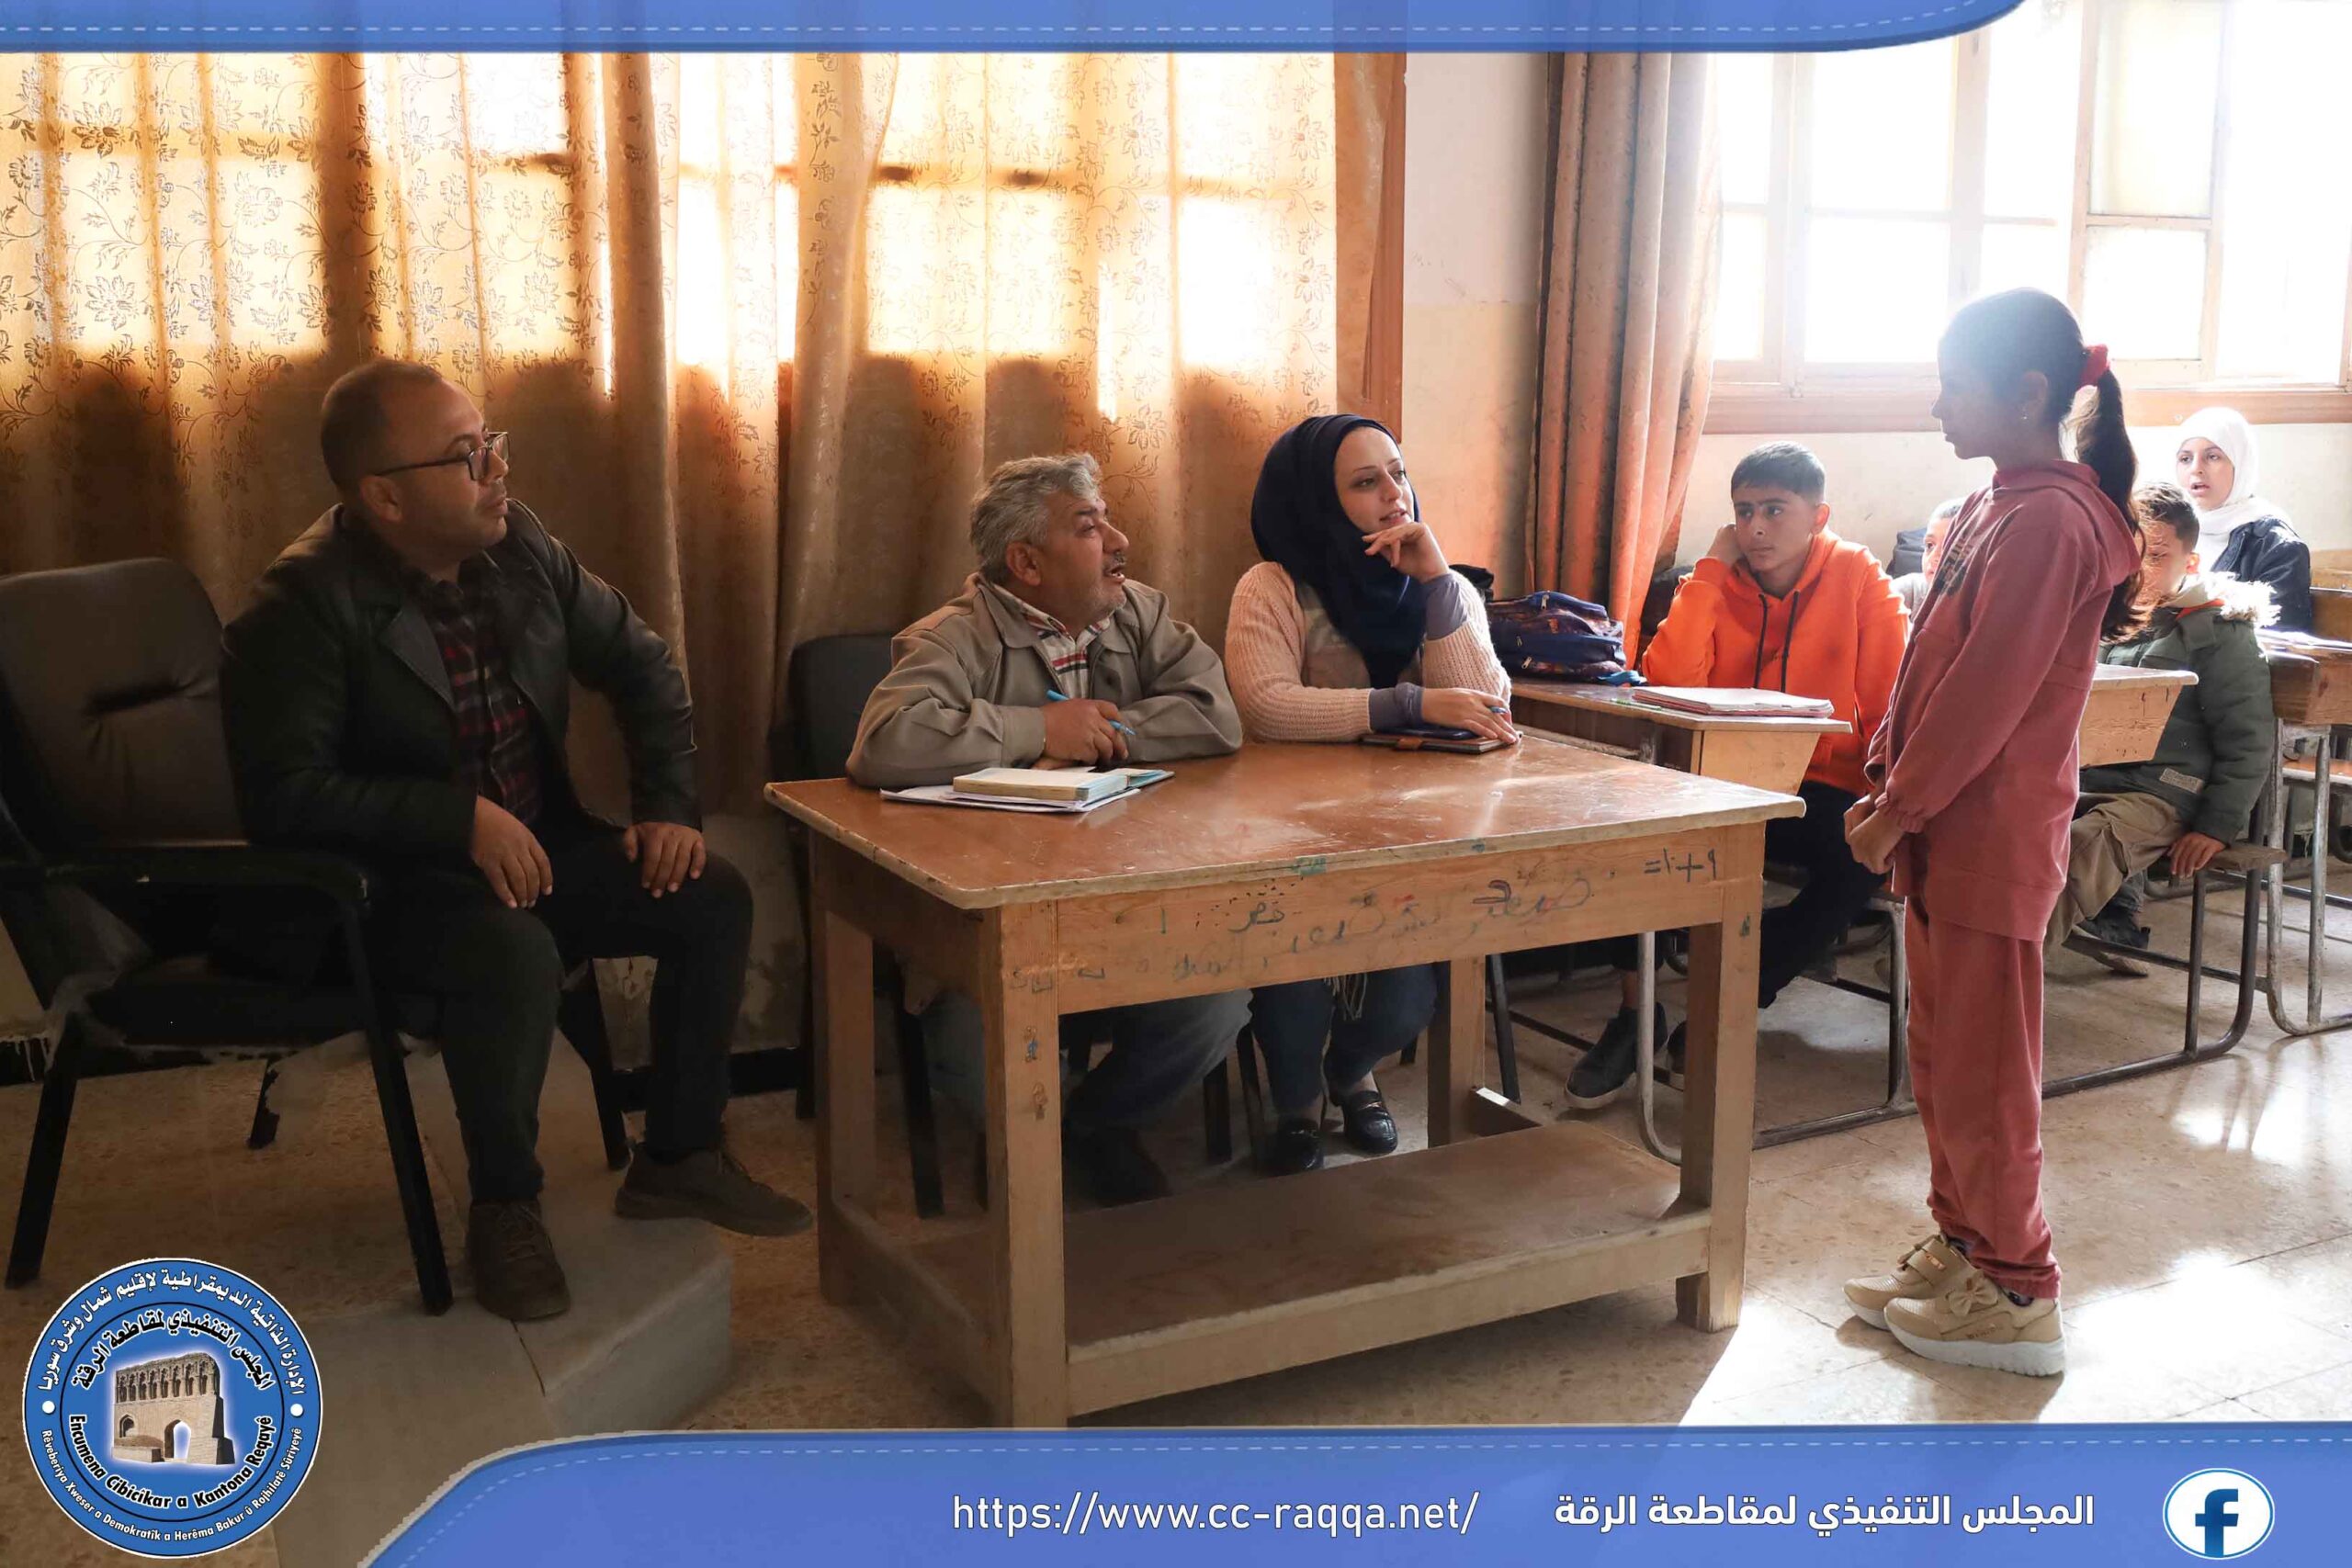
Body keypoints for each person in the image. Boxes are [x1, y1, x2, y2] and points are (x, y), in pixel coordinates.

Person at [221, 360, 808, 1325]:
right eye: (467, 457)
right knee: (511, 951)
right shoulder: (301, 606)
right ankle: (504, 1208)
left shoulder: (523, 546)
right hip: (387, 892)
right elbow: (285, 799)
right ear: (385, 497)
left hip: (534, 851)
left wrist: (668, 807)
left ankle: (679, 1156)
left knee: (710, 896)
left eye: (490, 442)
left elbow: (645, 667)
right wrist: (455, 818)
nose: (498, 470)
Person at [1841, 288, 2143, 1377]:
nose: (1936, 406)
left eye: (1953, 387)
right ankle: (1966, 1249)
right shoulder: (1994, 503)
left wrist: (1900, 808)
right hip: (1941, 826)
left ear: (2026, 394)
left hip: (1989, 831)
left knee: (1986, 1076)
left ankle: (2019, 1291)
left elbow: (1989, 693)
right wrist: (1886, 780)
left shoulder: (2055, 520)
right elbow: (1929, 663)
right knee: (1942, 1061)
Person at [847, 453, 1249, 1204]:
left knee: (1215, 1003)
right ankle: (1024, 1144)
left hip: (1127, 897)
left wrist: (1098, 731)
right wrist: (1037, 727)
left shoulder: (1139, 611)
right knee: (980, 1049)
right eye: (1090, 527)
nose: (1119, 542)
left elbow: (1217, 715)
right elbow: (884, 742)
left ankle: (1093, 1127)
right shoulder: (949, 638)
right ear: (1027, 563)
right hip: (993, 916)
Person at [1561, 441, 1906, 1110]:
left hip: (1821, 786)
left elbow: (1894, 701)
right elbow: (1666, 681)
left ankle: (1729, 1002)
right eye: (1744, 512)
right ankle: (1635, 1015)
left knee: (1861, 860)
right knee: (1627, 829)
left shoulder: (1858, 577)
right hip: (1719, 782)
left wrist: (1883, 800)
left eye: (1775, 510)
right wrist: (1711, 571)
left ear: (1819, 516)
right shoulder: (1717, 580)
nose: (1756, 528)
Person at [1224, 413, 1513, 1172]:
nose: (1395, 494)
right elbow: (1267, 706)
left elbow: (1489, 708)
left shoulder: (1441, 586)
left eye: (1399, 472)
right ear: (1317, 500)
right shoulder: (1272, 586)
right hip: (1291, 836)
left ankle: (1351, 1072)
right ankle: (1297, 1103)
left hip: (1411, 838)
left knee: (1405, 1000)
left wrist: (1439, 587)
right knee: (1291, 986)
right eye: (1364, 482)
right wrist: (1406, 703)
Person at [2050, 483, 2276, 953]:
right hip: (2092, 780)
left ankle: (2000, 978)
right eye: (2130, 553)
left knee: (2083, 848)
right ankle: (1953, 964)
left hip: (2166, 792)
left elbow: (2248, 741)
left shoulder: (2219, 632)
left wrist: (2215, 826)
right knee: (2003, 828)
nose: (2139, 569)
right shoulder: (2106, 621)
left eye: (2156, 556)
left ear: (2190, 563)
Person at [2177, 406, 2311, 633]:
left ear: (2241, 464)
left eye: (2212, 456)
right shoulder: (2168, 529)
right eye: (2185, 459)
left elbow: (2278, 639)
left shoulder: (2277, 547)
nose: (2196, 469)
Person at [1892, 498, 1963, 620]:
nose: (1934, 557)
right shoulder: (1906, 593)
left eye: (1950, 546)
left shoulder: (1986, 607)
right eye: (1930, 545)